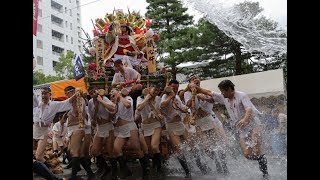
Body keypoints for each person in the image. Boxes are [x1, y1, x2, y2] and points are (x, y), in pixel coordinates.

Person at [195, 79, 269, 179]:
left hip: (253, 124)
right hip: (243, 129)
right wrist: (196, 88)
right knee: (247, 154)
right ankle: (262, 159)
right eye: (220, 91)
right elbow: (209, 92)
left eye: (223, 91)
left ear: (229, 89)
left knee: (256, 148)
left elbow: (248, 109)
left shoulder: (241, 95)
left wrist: (244, 119)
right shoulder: (224, 97)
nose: (221, 93)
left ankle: (265, 174)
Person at [184, 75, 229, 175]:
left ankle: (224, 165)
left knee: (219, 144)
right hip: (199, 122)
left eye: (197, 78)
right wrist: (194, 95)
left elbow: (212, 99)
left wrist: (201, 94)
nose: (196, 80)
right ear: (190, 83)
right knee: (206, 148)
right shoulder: (187, 94)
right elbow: (187, 105)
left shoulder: (204, 91)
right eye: (193, 79)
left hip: (209, 119)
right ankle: (216, 161)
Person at [160, 79, 191, 179]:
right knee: (179, 149)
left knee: (192, 145)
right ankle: (187, 172)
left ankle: (200, 166)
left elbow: (183, 107)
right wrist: (170, 97)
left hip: (180, 124)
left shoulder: (177, 96)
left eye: (177, 88)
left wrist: (187, 108)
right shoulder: (165, 96)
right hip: (171, 126)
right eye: (173, 87)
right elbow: (162, 105)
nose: (175, 89)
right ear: (169, 87)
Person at [33, 87, 74, 162]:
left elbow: (66, 102)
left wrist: (76, 94)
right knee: (35, 156)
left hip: (44, 131)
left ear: (50, 94)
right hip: (34, 129)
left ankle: (48, 171)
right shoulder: (36, 103)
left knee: (38, 156)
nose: (43, 95)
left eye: (45, 93)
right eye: (42, 93)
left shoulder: (54, 105)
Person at [63, 86, 95, 180]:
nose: (66, 95)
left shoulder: (79, 99)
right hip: (72, 129)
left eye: (67, 93)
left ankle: (73, 177)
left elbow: (77, 112)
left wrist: (73, 102)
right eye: (65, 93)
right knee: (77, 153)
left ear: (73, 92)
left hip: (78, 127)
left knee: (74, 152)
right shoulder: (70, 101)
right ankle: (91, 174)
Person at [87, 86, 117, 179]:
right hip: (99, 128)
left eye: (94, 92)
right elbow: (92, 117)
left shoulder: (104, 98)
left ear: (98, 91)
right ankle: (105, 168)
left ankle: (114, 173)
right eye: (91, 93)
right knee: (94, 151)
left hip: (108, 127)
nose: (93, 94)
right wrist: (95, 106)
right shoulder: (91, 102)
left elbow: (113, 108)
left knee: (110, 151)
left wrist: (101, 101)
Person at [137, 86, 165, 173]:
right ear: (149, 89)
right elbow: (139, 108)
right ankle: (155, 163)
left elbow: (162, 110)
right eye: (154, 89)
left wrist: (160, 114)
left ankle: (159, 168)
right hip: (145, 126)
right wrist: (146, 99)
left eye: (157, 90)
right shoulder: (140, 98)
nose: (156, 91)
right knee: (149, 149)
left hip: (156, 124)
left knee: (154, 146)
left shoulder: (158, 99)